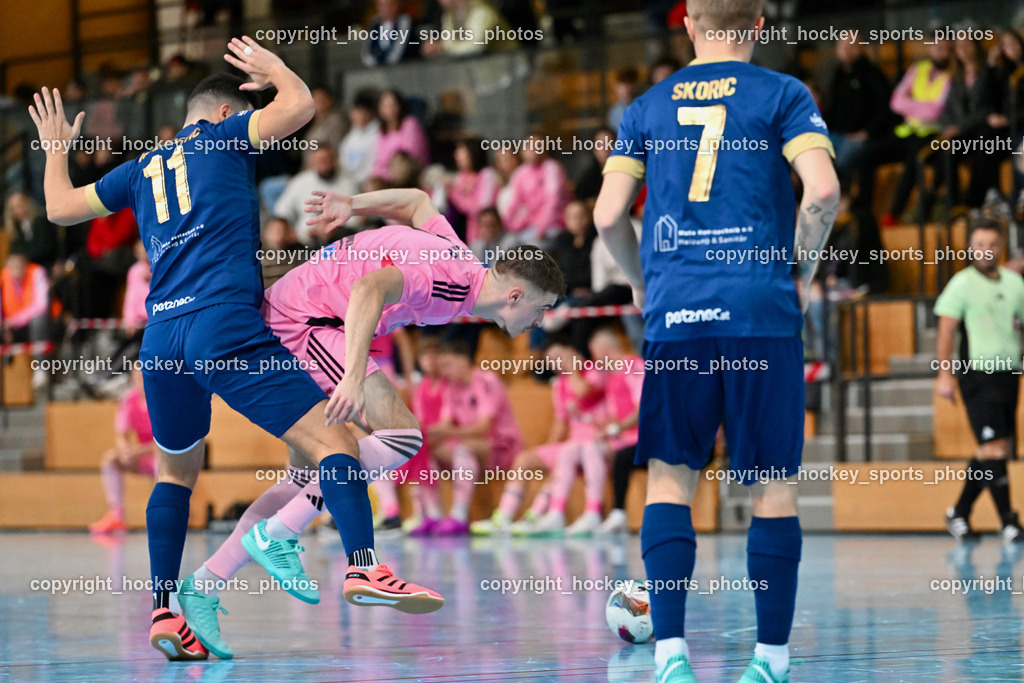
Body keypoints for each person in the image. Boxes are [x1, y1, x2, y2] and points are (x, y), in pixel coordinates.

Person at [28, 37, 445, 662]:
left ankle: (167, 610)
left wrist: (57, 152)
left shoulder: (142, 166)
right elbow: (300, 105)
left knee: (174, 474)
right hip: (222, 324)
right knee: (337, 443)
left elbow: (59, 208)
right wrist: (275, 71)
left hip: (162, 338)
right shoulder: (223, 139)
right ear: (227, 114)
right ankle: (364, 568)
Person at [177, 187, 564, 651]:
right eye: (541, 308)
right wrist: (354, 373)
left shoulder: (461, 257)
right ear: (516, 294)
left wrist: (351, 205)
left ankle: (203, 586)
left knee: (301, 481)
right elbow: (369, 288)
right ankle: (280, 534)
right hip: (307, 321)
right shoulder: (456, 281)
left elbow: (419, 202)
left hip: (292, 312)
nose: (540, 321)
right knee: (402, 434)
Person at [593, 0, 839, 680]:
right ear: (758, 25)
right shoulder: (784, 94)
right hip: (761, 308)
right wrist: (802, 273)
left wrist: (642, 279)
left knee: (671, 478)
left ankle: (671, 654)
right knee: (772, 484)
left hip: (679, 311)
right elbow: (821, 192)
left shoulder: (646, 106)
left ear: (689, 24)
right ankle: (769, 661)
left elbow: (607, 212)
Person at [936, 218, 1024, 544]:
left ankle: (958, 512)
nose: (986, 251)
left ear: (1001, 248)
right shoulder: (961, 283)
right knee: (994, 446)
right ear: (970, 247)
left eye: (992, 245)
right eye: (979, 245)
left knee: (992, 450)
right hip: (977, 375)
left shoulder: (1015, 283)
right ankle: (1009, 521)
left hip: (1009, 374)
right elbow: (947, 330)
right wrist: (944, 374)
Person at [471, 335, 607, 536]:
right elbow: (561, 425)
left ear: (572, 352)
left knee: (564, 457)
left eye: (559, 358)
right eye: (551, 361)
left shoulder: (594, 372)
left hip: (596, 443)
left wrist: (573, 369)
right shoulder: (560, 384)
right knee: (525, 459)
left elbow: (583, 391)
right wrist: (548, 451)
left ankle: (536, 516)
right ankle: (503, 517)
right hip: (572, 444)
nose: (556, 364)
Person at [411, 340, 523, 535]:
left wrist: (448, 433)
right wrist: (424, 436)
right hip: (471, 445)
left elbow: (483, 428)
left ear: (463, 360)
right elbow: (446, 423)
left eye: (447, 365)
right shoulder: (452, 387)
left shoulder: (486, 381)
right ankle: (432, 515)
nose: (444, 371)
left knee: (463, 449)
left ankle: (459, 515)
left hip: (501, 446)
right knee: (424, 451)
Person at [88, 368, 157, 533]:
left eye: (144, 377)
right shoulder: (128, 400)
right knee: (110, 459)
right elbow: (121, 434)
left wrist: (137, 451)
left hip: (164, 458)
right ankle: (116, 515)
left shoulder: (163, 399)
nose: (141, 381)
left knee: (162, 465)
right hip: (142, 457)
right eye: (138, 377)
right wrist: (125, 450)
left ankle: (160, 515)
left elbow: (167, 443)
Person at [273, 144, 357, 244]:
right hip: (304, 238)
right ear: (311, 163)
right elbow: (282, 210)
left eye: (326, 159)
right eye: (319, 160)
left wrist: (331, 226)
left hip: (339, 236)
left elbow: (357, 218)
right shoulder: (300, 181)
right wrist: (281, 227)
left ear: (334, 159)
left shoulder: (348, 182)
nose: (323, 164)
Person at [501, 134, 570, 246]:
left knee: (534, 250)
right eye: (529, 146)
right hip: (527, 226)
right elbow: (513, 203)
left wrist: (541, 228)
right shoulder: (520, 173)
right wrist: (509, 226)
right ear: (523, 151)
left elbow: (553, 201)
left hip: (552, 226)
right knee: (506, 245)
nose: (534, 150)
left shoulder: (552, 168)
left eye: (538, 146)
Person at [0, 249, 51, 389]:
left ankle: (41, 368)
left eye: (19, 265)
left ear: (25, 265)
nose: (16, 270)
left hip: (36, 325)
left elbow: (42, 305)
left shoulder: (37, 272)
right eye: (12, 266)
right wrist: (4, 327)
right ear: (7, 266)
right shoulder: (3, 277)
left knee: (38, 321)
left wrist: (14, 321)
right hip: (11, 328)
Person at [370, 89, 429, 181]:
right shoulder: (381, 130)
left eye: (392, 104)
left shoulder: (410, 124)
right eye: (385, 105)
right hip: (386, 176)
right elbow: (379, 161)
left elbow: (409, 156)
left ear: (400, 106)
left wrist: (388, 174)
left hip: (408, 175)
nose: (389, 108)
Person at [361, 0, 419, 67]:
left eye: (389, 5)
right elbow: (367, 54)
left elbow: (397, 52)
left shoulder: (405, 22)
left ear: (397, 5)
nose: (386, 9)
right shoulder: (375, 25)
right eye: (381, 5)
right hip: (378, 71)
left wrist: (382, 60)